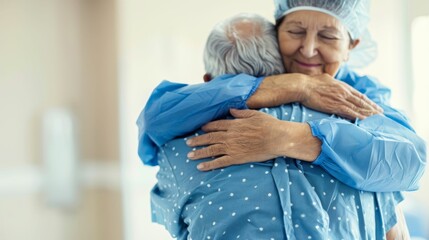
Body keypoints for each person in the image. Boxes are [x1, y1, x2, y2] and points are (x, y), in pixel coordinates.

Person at [147, 12, 413, 239]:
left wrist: (287, 136)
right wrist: (294, 86)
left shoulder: (178, 148)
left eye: (329, 36)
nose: (309, 49)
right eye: (296, 31)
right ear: (277, 37)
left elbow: (411, 159)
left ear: (352, 45)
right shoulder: (353, 125)